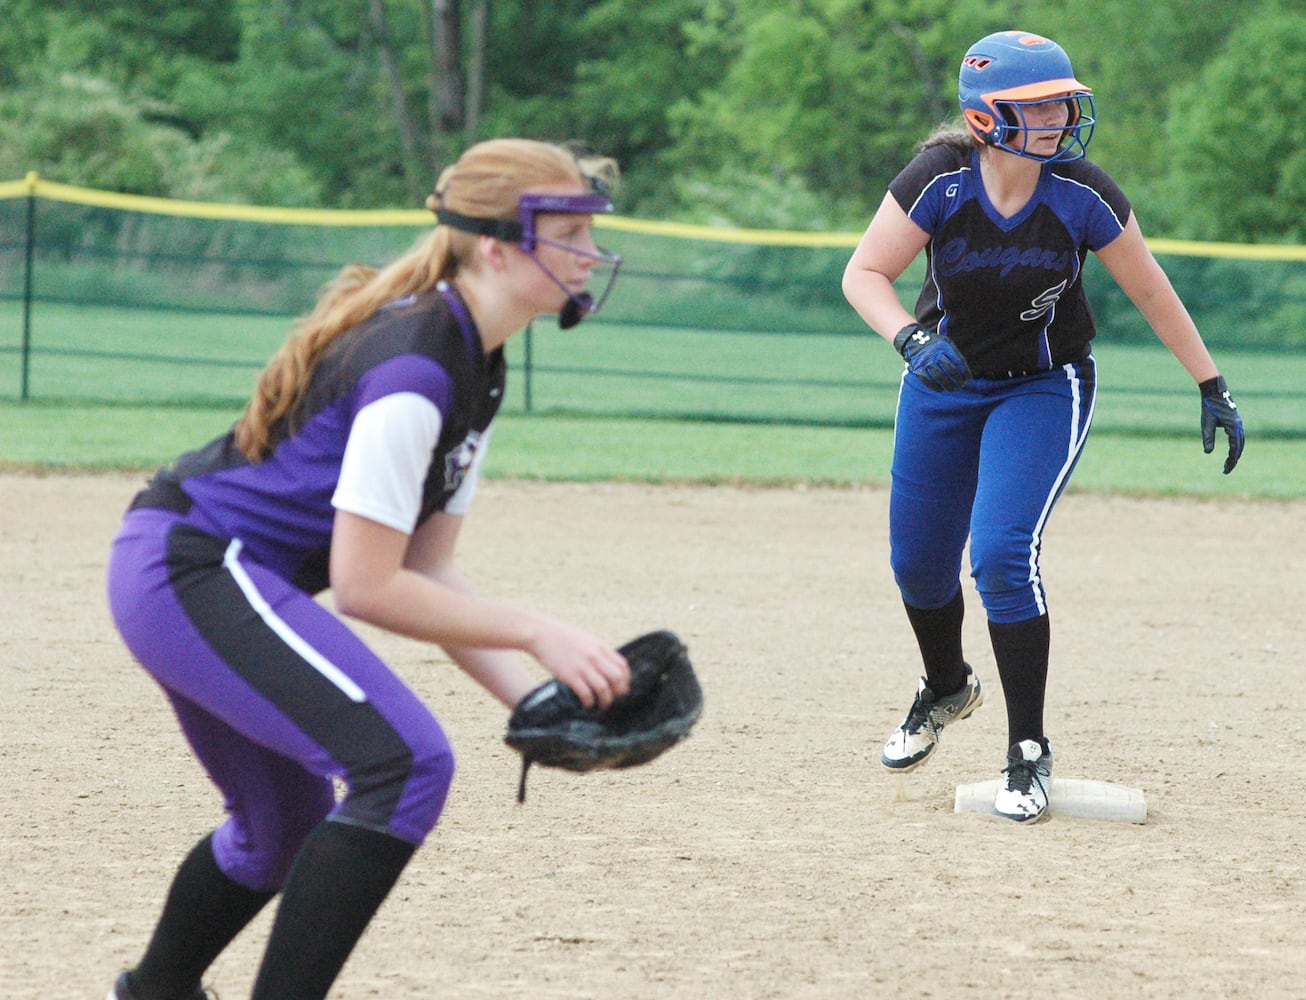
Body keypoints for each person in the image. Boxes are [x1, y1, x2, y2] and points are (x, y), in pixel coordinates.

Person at [104, 138, 632, 1000]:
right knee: (407, 764)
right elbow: (366, 586)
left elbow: (429, 571)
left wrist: (536, 703)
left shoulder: (477, 359)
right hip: (192, 571)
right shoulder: (417, 369)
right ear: (496, 245)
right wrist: (539, 631)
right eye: (568, 231)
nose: (589, 252)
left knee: (280, 831)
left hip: (204, 575)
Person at [841, 30, 1244, 823]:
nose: (1059, 117)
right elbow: (864, 273)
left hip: (1042, 388)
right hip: (942, 384)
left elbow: (1152, 291)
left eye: (1063, 101)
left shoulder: (1081, 193)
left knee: (998, 556)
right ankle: (948, 687)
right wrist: (911, 339)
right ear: (985, 117)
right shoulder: (939, 181)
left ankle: (1027, 750)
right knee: (918, 566)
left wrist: (1211, 383)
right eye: (1037, 105)